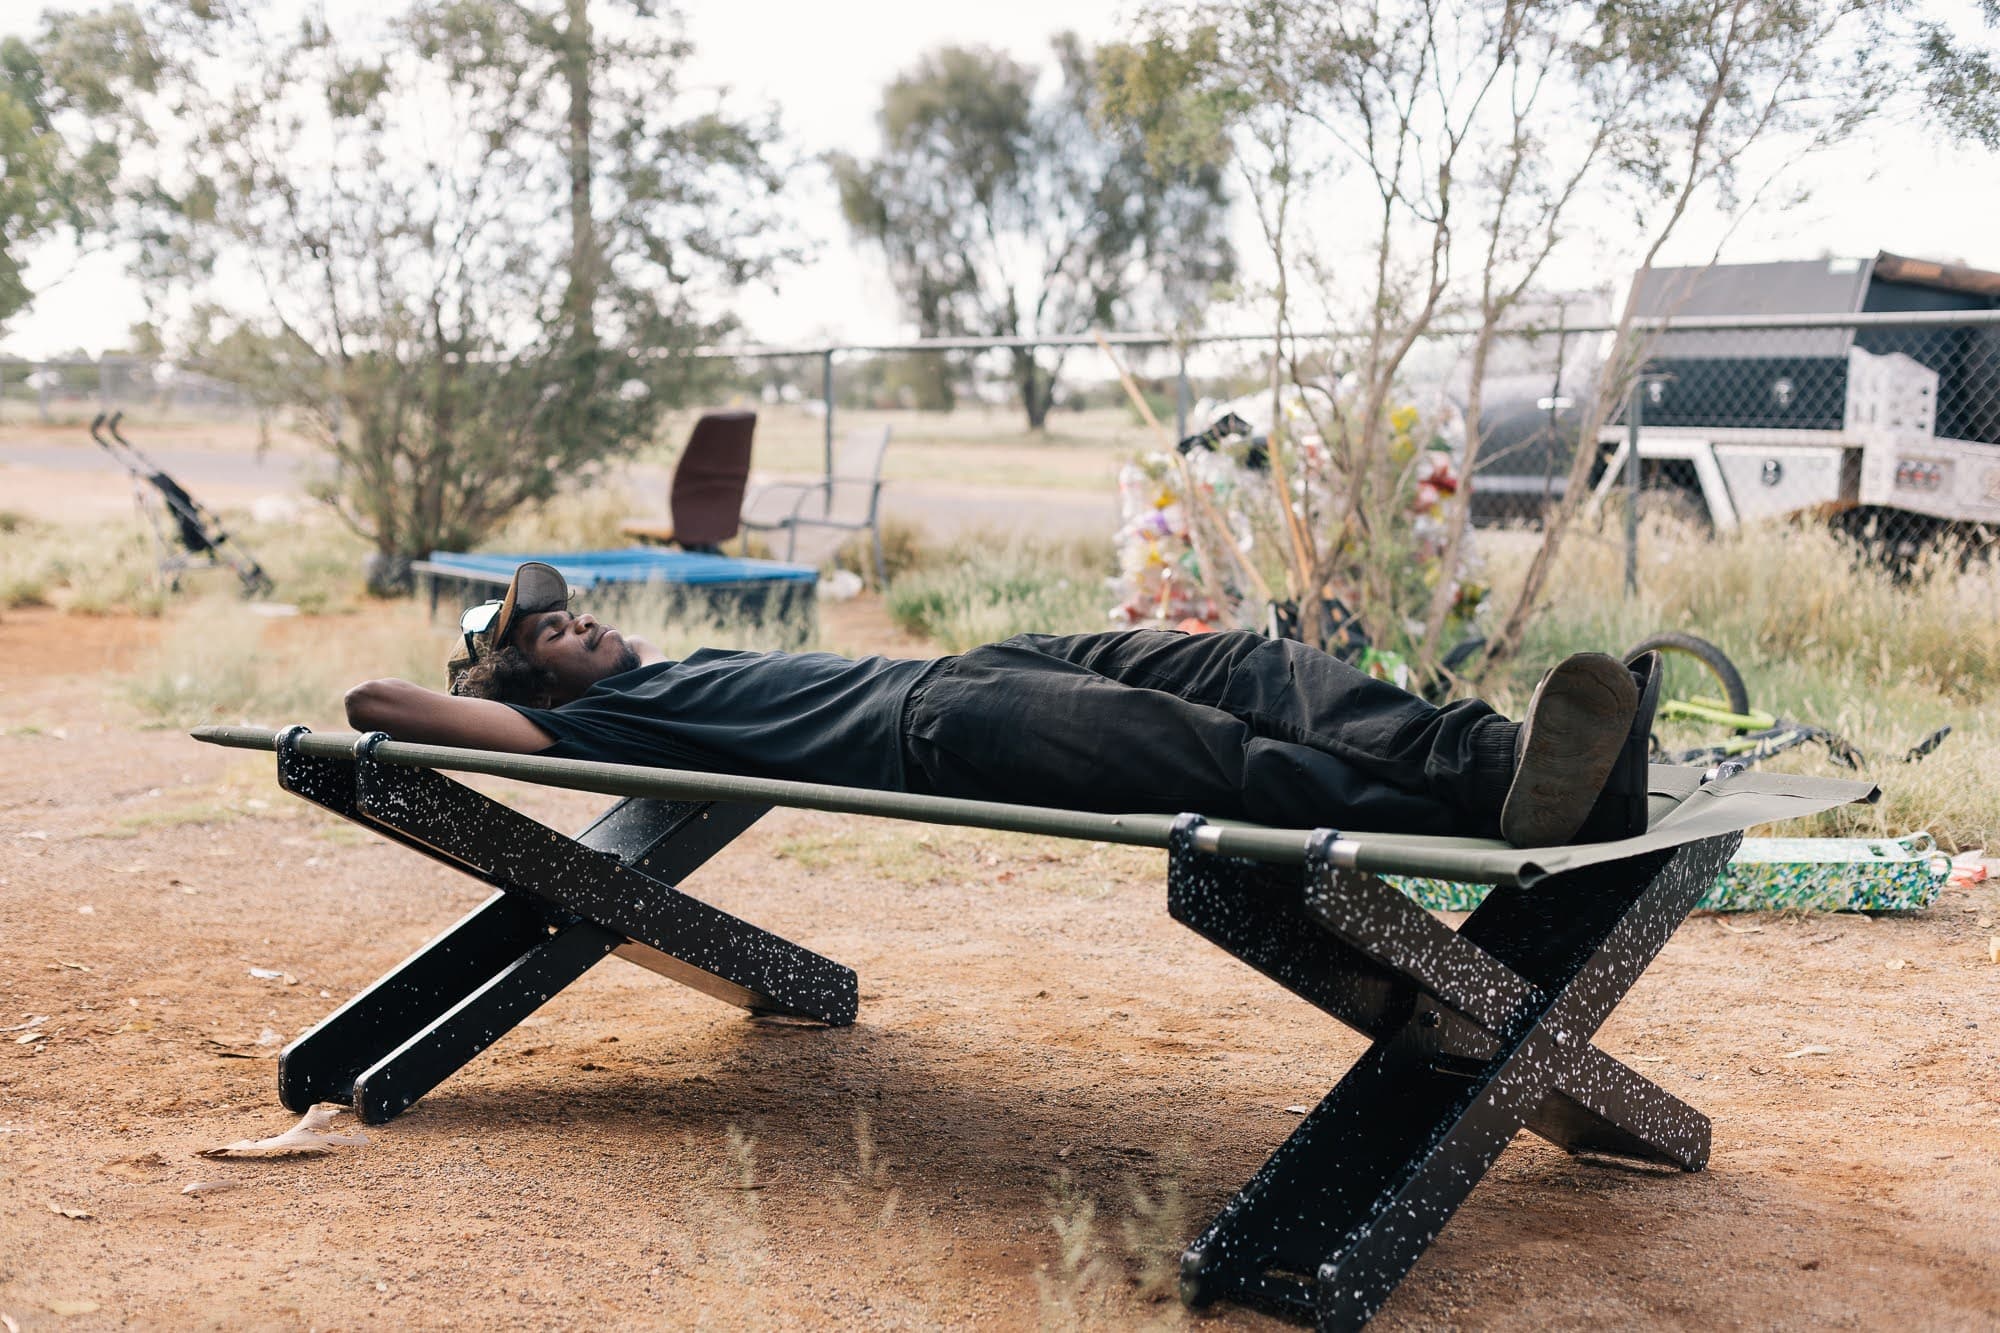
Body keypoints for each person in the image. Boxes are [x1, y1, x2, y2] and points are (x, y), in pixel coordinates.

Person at [346, 562, 1660, 848]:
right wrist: (495, 670)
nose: (580, 622)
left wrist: (529, 638)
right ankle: (1509, 816)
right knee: (1224, 754)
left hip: (973, 660)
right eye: (553, 634)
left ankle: (1497, 759)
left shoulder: (668, 671)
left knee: (1240, 666)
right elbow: (373, 695)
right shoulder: (586, 727)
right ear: (534, 681)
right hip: (940, 732)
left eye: (576, 607)